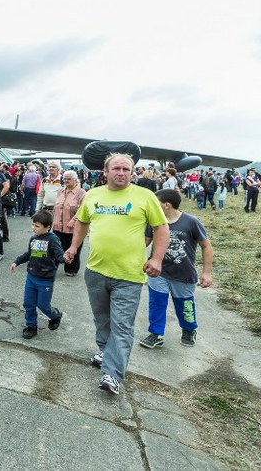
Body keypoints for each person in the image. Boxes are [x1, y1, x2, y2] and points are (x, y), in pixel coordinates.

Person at [64, 153, 169, 396]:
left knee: (122, 326)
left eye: (126, 169)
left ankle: (112, 373)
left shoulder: (145, 196)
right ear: (106, 171)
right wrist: (73, 247)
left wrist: (156, 258)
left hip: (129, 276)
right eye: (116, 168)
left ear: (132, 172)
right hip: (96, 271)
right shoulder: (93, 195)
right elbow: (82, 221)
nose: (121, 172)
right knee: (102, 320)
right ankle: (105, 351)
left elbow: (161, 228)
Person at [139, 189, 213, 349]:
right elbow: (144, 242)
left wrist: (206, 272)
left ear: (166, 205)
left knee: (185, 305)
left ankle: (189, 329)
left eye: (156, 203)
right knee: (156, 303)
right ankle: (156, 334)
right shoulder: (153, 221)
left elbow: (206, 246)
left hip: (183, 275)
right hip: (158, 273)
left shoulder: (191, 222)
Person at [10, 210, 65, 339]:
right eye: (33, 225)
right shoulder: (33, 239)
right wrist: (16, 262)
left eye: (37, 226)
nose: (33, 228)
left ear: (47, 227)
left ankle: (55, 316)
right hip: (31, 277)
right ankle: (31, 326)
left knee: (43, 305)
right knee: (28, 303)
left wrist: (65, 258)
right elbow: (28, 254)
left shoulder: (53, 239)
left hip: (45, 280)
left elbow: (59, 255)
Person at [52, 170, 86, 277]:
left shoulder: (81, 193)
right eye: (64, 178)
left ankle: (71, 269)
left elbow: (83, 210)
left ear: (75, 180)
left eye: (69, 179)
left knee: (73, 248)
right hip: (58, 226)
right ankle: (53, 268)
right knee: (57, 247)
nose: (66, 181)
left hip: (74, 227)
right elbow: (56, 207)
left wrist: (74, 220)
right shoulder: (60, 191)